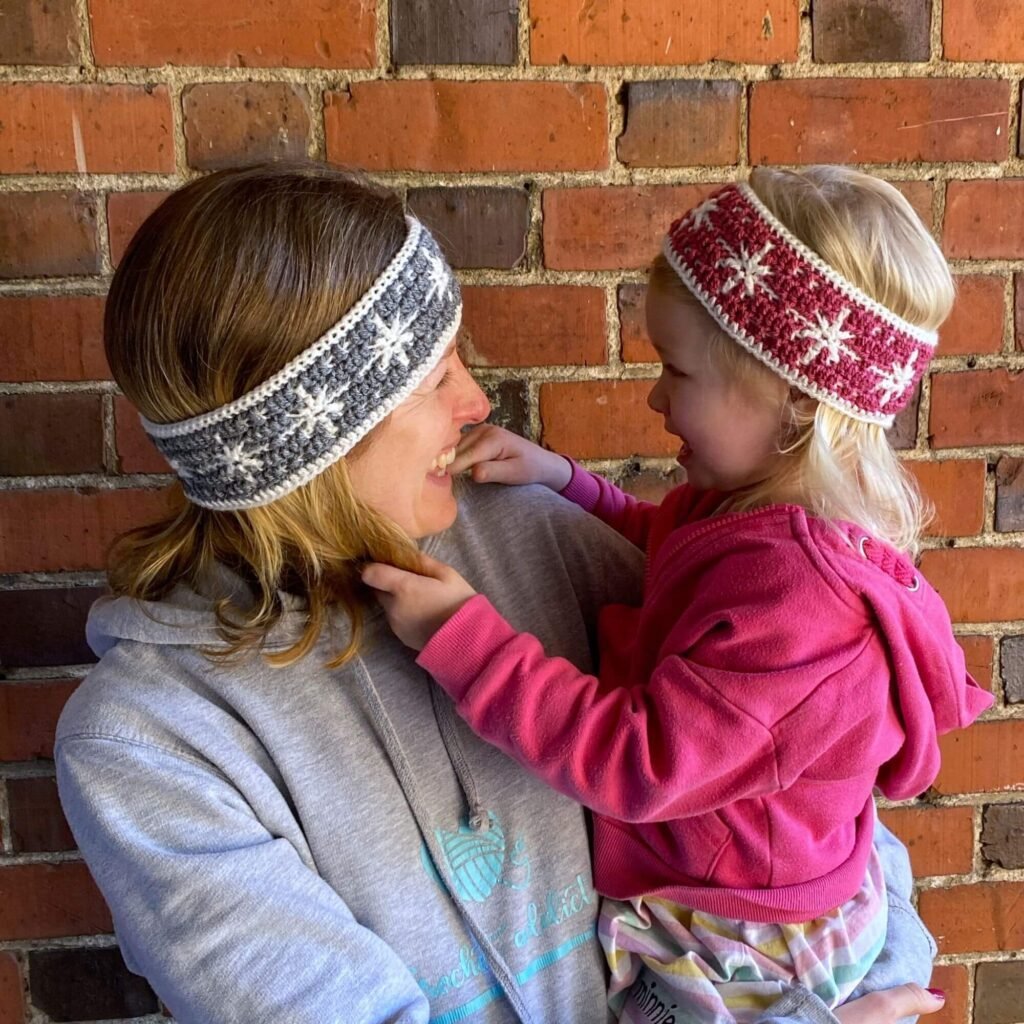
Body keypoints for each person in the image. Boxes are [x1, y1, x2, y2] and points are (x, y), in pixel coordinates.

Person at [55, 162, 945, 1024]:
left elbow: (812, 790)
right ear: (321, 429)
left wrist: (862, 989)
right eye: (437, 374)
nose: (478, 402)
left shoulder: (533, 537)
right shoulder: (151, 747)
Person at [362, 167, 991, 1023]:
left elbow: (641, 764)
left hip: (743, 941)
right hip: (734, 889)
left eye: (677, 372)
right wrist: (570, 486)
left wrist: (465, 640)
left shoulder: (804, 610)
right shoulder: (761, 518)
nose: (655, 398)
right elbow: (683, 552)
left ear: (793, 400)